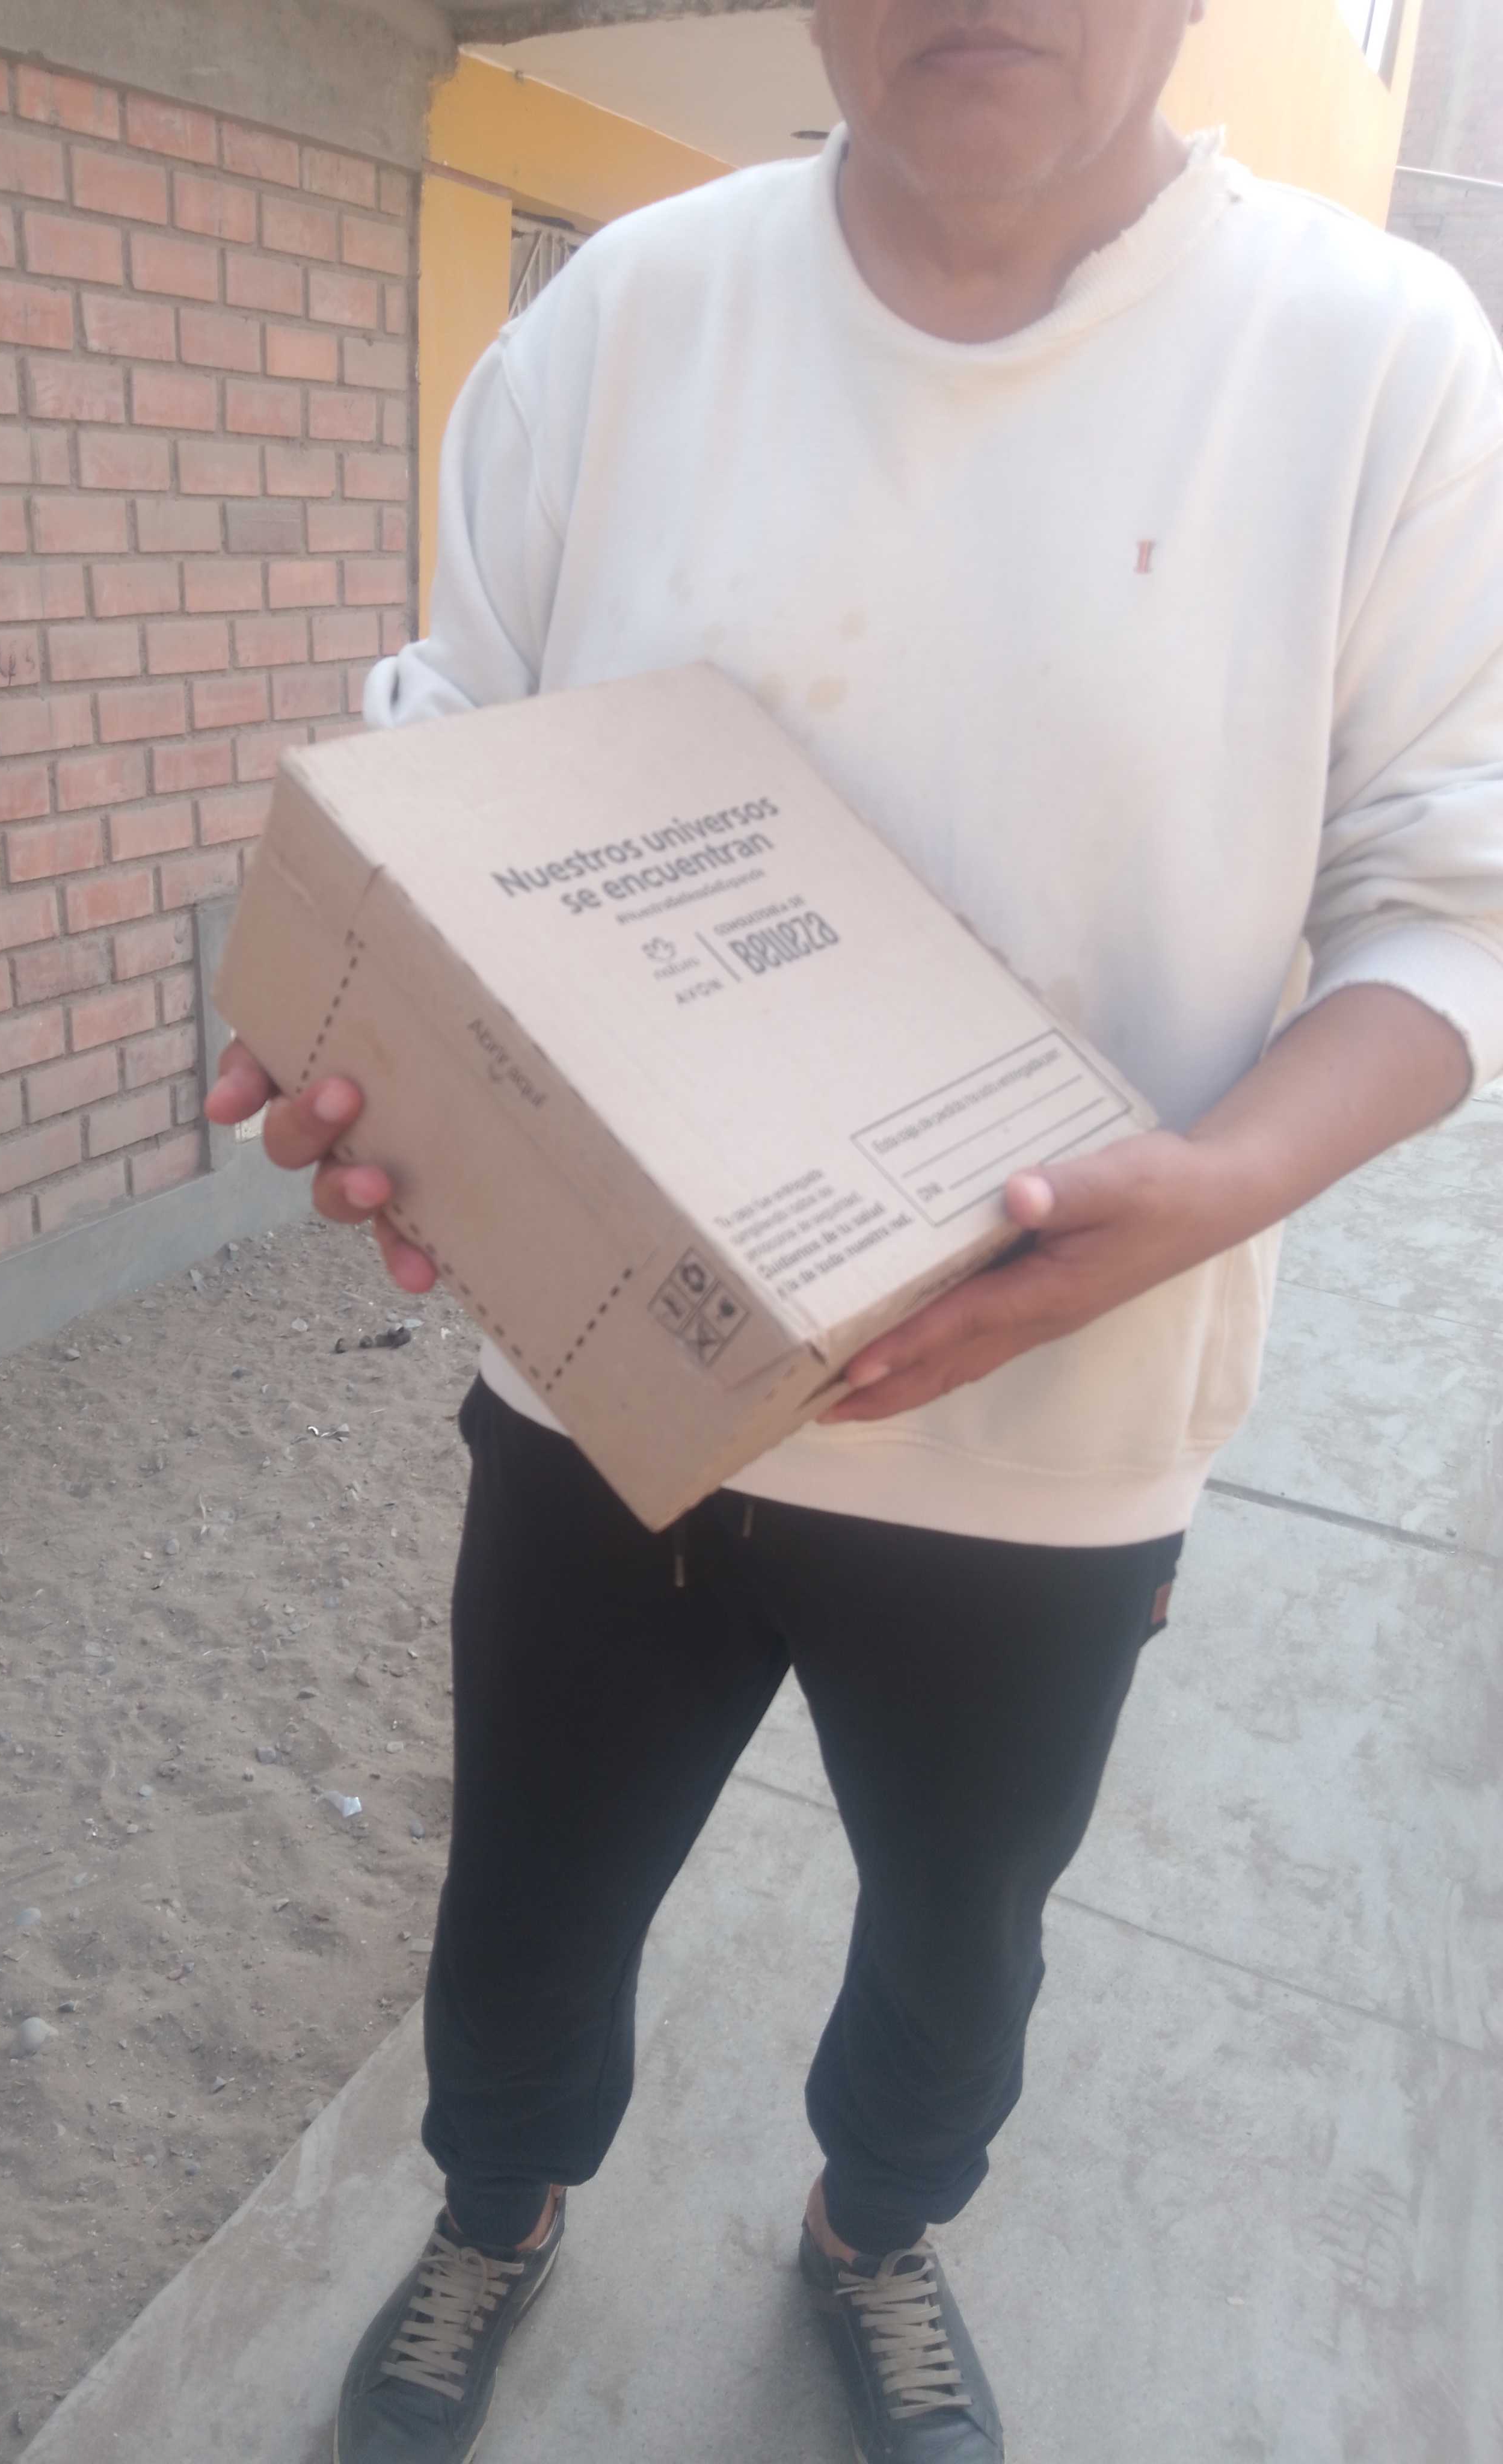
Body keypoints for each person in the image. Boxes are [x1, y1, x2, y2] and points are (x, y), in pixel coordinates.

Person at [206, 1, 1503, 2454]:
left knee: (959, 1937)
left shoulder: (1374, 367)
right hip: (610, 1390)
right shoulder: (630, 318)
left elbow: (1452, 905)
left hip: (1054, 1432)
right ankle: (496, 2208)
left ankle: (876, 2228)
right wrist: (368, 1024)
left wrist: (1220, 1186)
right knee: (530, 1898)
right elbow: (451, 750)